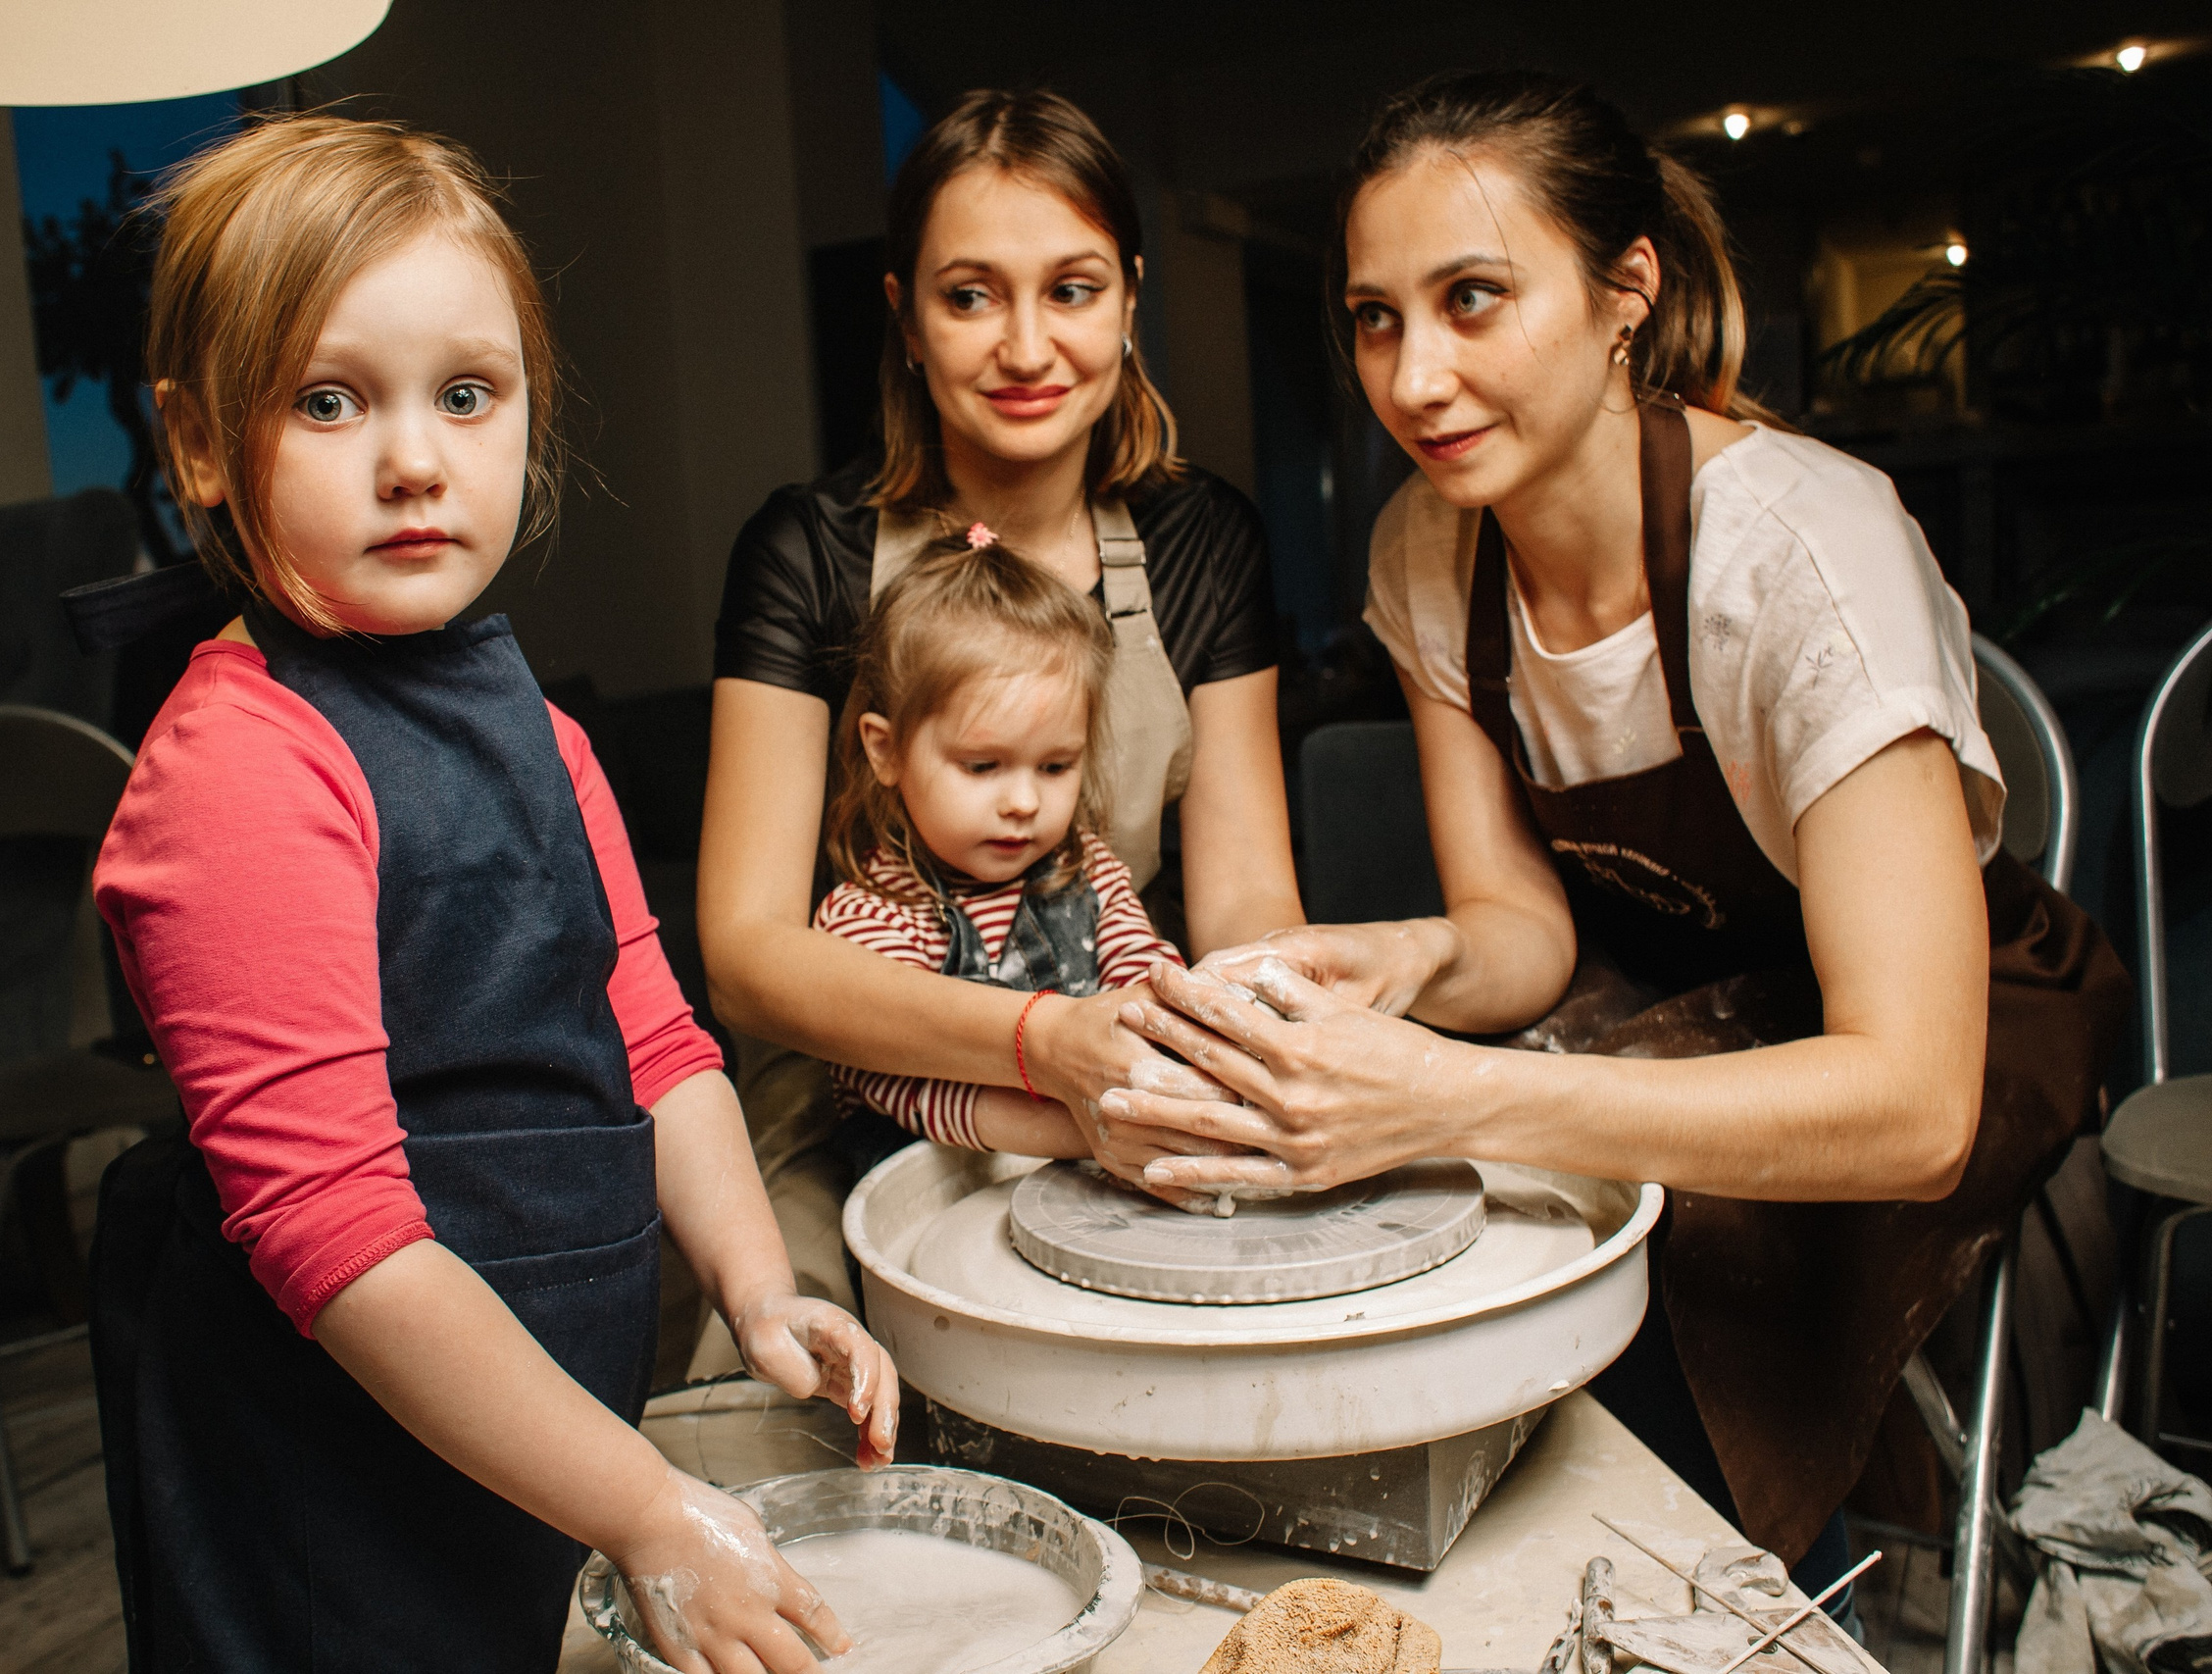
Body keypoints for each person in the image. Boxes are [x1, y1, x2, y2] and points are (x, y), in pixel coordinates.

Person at [1096, 72, 2129, 1589]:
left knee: (1666, 1286)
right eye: (1376, 317)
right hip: (1668, 989)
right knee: (1480, 1250)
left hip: (1950, 1028)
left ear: (1624, 290)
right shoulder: (1428, 549)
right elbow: (1527, 939)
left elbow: (1912, 1104)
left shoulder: (1799, 559)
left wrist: (1445, 1095)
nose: (1415, 377)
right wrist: (1398, 965)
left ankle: (1735, 1614)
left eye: (1472, 299)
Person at [84, 116, 895, 1674]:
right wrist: (652, 1507)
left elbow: (658, 1044)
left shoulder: (543, 730)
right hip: (335, 1489)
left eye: (467, 393)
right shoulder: (242, 771)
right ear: (196, 442)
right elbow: (339, 1232)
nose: (414, 458)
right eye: (328, 400)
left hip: (537, 1448)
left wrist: (757, 1278)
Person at [697, 89, 1299, 1341]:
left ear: (1130, 300)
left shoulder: (1203, 543)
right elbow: (749, 957)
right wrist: (1041, 1045)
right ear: (905, 320)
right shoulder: (806, 551)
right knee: (805, 1380)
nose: (1026, 348)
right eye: (970, 296)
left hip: (1118, 1046)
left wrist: (1194, 1052)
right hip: (858, 1095)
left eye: (1071, 291)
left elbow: (1247, 907)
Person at [814, 529, 1185, 1158]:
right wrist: (1076, 1135)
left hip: (1100, 1152)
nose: (1024, 803)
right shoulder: (869, 921)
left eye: (1055, 766)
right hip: (944, 1186)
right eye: (983, 766)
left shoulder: (1088, 869)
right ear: (886, 750)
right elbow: (897, 1085)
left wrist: (1170, 1031)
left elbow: (1139, 967)